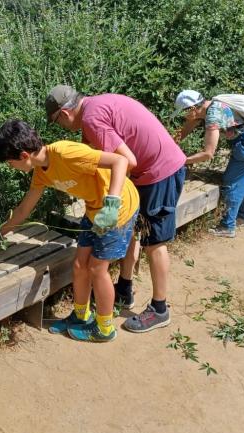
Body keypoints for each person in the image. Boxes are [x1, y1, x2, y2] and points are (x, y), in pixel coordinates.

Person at [45, 85, 186, 333]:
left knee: (155, 242)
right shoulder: (97, 105)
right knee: (131, 233)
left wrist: (112, 201)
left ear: (65, 114)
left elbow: (127, 161)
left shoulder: (91, 118)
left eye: (57, 122)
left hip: (160, 171)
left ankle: (160, 309)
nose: (61, 127)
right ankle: (124, 288)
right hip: (147, 173)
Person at [0, 119, 139, 343]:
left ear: (23, 155)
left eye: (10, 162)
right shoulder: (41, 173)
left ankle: (105, 328)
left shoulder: (65, 152)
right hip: (94, 210)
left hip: (118, 209)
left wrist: (111, 204)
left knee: (97, 269)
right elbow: (23, 211)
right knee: (80, 265)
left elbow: (121, 161)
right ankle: (81, 316)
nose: (11, 168)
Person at [172, 90, 244, 237]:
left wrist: (181, 161)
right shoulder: (205, 107)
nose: (183, 116)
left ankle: (227, 226)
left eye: (183, 113)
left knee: (232, 180)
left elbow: (208, 153)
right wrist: (168, 145)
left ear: (192, 109)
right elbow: (184, 130)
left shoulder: (213, 116)